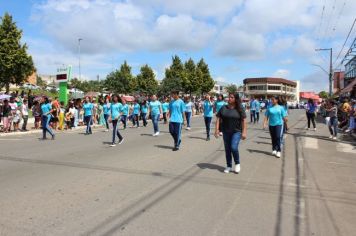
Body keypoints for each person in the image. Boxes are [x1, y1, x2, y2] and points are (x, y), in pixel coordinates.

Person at [215, 93, 247, 173]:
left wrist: (244, 132)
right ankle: (229, 166)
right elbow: (218, 119)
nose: (229, 98)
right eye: (229, 97)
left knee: (233, 147)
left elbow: (243, 121)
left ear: (235, 99)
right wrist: (216, 130)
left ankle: (237, 163)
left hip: (237, 132)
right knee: (227, 149)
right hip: (226, 131)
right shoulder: (224, 108)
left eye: (231, 97)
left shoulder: (240, 108)